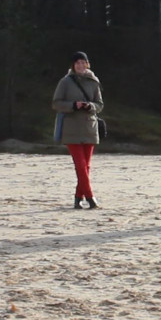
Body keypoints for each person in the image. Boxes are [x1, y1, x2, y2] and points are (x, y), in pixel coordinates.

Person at [51, 51, 104, 209]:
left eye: (83, 62)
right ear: (73, 65)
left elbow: (99, 105)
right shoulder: (65, 82)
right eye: (77, 63)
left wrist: (90, 106)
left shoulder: (94, 81)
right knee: (80, 165)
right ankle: (90, 197)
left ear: (87, 64)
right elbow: (56, 103)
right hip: (71, 128)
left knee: (86, 166)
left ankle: (77, 197)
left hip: (89, 127)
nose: (80, 65)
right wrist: (73, 106)